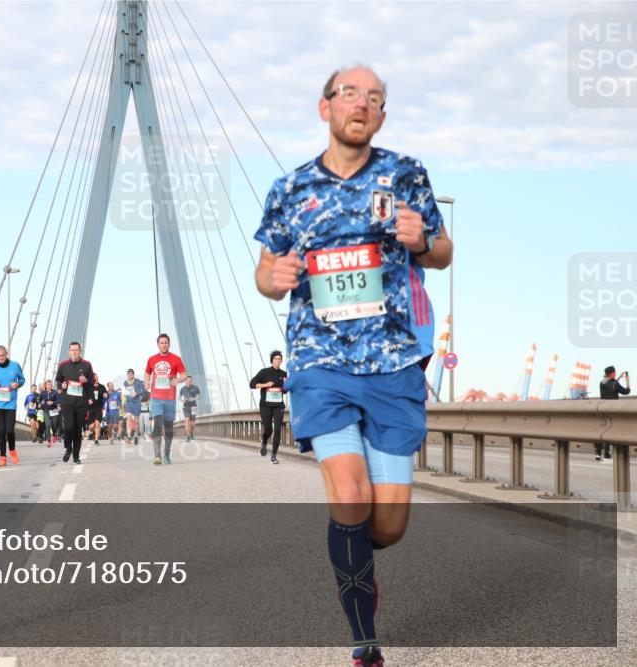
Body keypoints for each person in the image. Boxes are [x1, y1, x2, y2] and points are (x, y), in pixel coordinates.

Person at [253, 65, 452, 667]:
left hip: (393, 364)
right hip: (320, 361)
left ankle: (356, 560)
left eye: (374, 97)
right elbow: (266, 271)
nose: (361, 103)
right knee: (349, 494)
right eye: (349, 94)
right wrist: (273, 278)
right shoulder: (289, 189)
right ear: (325, 108)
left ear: (382, 115)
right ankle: (365, 641)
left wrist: (422, 241)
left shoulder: (406, 173)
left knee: (386, 525)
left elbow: (443, 252)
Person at [144, 333, 187, 465]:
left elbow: (184, 375)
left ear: (169, 344)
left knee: (168, 428)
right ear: (158, 345)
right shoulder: (152, 359)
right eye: (161, 343)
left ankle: (167, 453)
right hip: (156, 398)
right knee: (157, 425)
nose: (164, 345)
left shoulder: (176, 359)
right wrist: (147, 382)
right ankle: (157, 455)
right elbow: (147, 372)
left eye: (166, 342)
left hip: (170, 399)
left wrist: (177, 380)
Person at [55, 342, 95, 464]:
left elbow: (92, 383)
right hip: (67, 403)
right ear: (69, 351)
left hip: (81, 403)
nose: (74, 352)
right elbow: (58, 380)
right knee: (68, 427)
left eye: (76, 350)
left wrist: (87, 380)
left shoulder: (87, 365)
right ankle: (68, 448)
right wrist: (61, 385)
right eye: (72, 350)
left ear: (80, 351)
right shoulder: (63, 365)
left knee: (77, 430)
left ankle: (76, 456)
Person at [0, 345, 26, 466]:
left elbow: (22, 380)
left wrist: (17, 384)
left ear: (7, 353)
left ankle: (13, 450)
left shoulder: (15, 365)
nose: (1, 357)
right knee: (1, 431)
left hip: (10, 404)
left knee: (9, 431)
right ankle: (2, 457)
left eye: (2, 355)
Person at [250, 350, 289, 464]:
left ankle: (274, 456)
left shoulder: (283, 374)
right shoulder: (264, 372)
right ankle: (264, 442)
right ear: (272, 360)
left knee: (277, 429)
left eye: (280, 359)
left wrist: (286, 385)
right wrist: (265, 385)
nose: (278, 361)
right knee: (269, 429)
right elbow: (252, 384)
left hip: (278, 405)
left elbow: (285, 391)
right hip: (266, 405)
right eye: (276, 359)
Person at [596, 366, 631, 460]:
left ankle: (598, 454)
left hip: (602, 409)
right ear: (612, 373)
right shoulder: (614, 383)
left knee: (602, 431)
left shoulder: (602, 383)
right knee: (610, 431)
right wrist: (627, 381)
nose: (615, 374)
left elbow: (611, 384)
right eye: (615, 373)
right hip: (612, 410)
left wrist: (619, 377)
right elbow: (626, 391)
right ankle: (607, 453)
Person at [122, 369, 145, 444]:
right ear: (127, 375)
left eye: (131, 373)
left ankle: (135, 436)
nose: (130, 375)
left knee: (136, 420)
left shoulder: (138, 382)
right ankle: (129, 435)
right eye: (128, 374)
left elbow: (143, 391)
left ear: (133, 374)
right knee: (128, 417)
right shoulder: (125, 382)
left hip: (136, 403)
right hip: (129, 402)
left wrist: (137, 393)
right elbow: (124, 392)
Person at [39, 379, 61, 447]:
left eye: (51, 384)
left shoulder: (55, 392)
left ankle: (54, 435)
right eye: (48, 384)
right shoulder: (43, 393)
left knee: (54, 425)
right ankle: (49, 441)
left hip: (54, 410)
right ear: (45, 385)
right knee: (47, 425)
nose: (50, 385)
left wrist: (53, 402)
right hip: (46, 410)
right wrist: (39, 404)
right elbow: (39, 400)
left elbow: (59, 400)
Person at [179, 376, 201, 442]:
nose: (188, 382)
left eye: (190, 381)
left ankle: (191, 433)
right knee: (187, 419)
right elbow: (180, 397)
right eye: (187, 381)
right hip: (186, 407)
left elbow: (199, 395)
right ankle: (188, 436)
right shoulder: (183, 389)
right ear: (185, 381)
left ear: (191, 381)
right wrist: (182, 400)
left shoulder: (195, 388)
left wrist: (194, 399)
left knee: (192, 423)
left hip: (194, 407)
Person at [89, 373, 108, 445]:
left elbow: (106, 394)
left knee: (97, 424)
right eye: (94, 378)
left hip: (98, 408)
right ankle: (91, 432)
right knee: (91, 426)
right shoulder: (89, 387)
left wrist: (106, 395)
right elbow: (85, 396)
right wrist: (88, 401)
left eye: (97, 377)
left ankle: (96, 440)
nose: (96, 379)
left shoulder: (102, 386)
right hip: (90, 408)